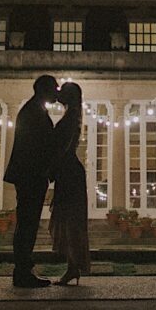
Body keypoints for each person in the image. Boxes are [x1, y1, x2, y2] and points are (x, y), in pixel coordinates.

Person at [3, 74, 58, 288]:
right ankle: (23, 271)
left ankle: (24, 269)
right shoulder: (34, 112)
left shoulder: (34, 109)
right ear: (44, 89)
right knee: (27, 223)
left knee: (27, 223)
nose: (57, 91)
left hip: (29, 175)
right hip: (30, 176)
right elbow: (37, 147)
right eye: (54, 88)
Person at [49, 81, 91, 285]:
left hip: (69, 173)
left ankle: (73, 267)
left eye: (62, 92)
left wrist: (51, 169)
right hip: (68, 171)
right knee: (68, 220)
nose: (58, 94)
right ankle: (72, 267)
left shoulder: (71, 117)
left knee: (70, 220)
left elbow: (63, 148)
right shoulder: (71, 116)